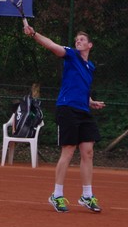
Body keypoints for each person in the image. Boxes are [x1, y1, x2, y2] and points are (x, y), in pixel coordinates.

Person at [23, 22, 104, 213]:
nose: (78, 41)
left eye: (82, 39)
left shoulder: (90, 66)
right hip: (67, 109)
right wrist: (34, 34)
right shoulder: (71, 55)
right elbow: (52, 45)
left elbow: (81, 86)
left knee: (88, 152)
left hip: (83, 110)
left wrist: (90, 101)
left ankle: (87, 195)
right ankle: (57, 195)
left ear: (90, 45)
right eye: (77, 39)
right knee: (68, 151)